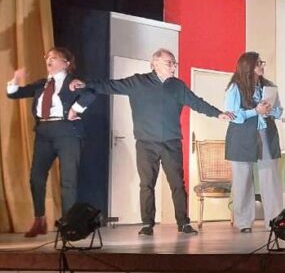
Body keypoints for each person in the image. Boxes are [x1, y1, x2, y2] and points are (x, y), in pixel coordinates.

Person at [71, 49, 233, 236]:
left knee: (177, 184)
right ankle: (147, 224)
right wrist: (86, 84)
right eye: (169, 63)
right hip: (146, 143)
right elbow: (109, 85)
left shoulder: (177, 86)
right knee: (146, 184)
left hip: (171, 143)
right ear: (154, 63)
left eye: (174, 63)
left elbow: (197, 102)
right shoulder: (137, 82)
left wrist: (218, 113)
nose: (173, 67)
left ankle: (183, 223)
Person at [6, 47, 96, 237]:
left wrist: (76, 109)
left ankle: (68, 225)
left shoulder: (73, 81)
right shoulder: (42, 84)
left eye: (54, 57)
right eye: (48, 57)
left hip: (67, 132)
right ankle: (39, 220)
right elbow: (14, 94)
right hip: (44, 132)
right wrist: (15, 78)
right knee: (36, 177)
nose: (49, 60)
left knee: (68, 180)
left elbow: (90, 93)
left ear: (66, 63)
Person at [224, 52, 283, 233]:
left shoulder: (269, 86)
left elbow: (279, 111)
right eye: (258, 63)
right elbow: (232, 115)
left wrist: (270, 110)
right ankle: (243, 222)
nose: (262, 66)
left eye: (261, 62)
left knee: (270, 178)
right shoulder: (235, 87)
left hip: (266, 133)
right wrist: (255, 111)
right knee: (242, 180)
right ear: (247, 66)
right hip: (242, 136)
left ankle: (274, 221)